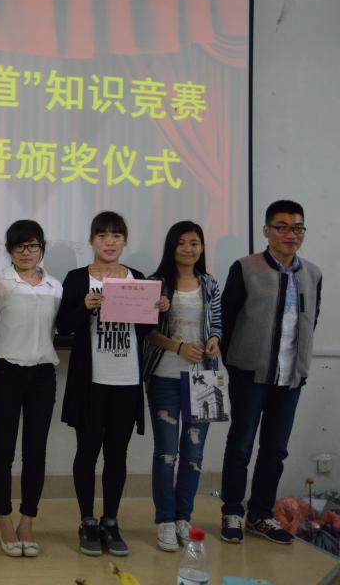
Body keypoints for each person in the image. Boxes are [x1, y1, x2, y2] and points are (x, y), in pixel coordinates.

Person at [57, 211, 160, 558]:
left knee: (117, 454)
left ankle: (111, 521)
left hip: (126, 380)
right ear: (92, 241)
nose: (109, 242)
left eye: (116, 236)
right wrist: (84, 307)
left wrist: (158, 308)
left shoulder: (137, 278)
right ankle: (87, 520)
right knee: (87, 452)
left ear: (124, 241)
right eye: (102, 236)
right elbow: (63, 325)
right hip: (91, 382)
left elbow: (146, 330)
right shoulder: (77, 278)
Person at [219, 200, 322, 545]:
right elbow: (228, 319)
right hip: (250, 374)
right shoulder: (245, 268)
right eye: (282, 227)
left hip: (290, 375)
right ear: (266, 231)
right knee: (241, 445)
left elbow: (311, 320)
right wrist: (236, 364)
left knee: (276, 449)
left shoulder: (312, 273)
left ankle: (260, 514)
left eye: (297, 228)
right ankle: (232, 511)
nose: (291, 235)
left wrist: (300, 362)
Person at [0, 220, 61, 558]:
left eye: (33, 246)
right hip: (6, 373)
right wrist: (0, 374)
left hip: (43, 374)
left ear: (42, 248)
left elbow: (53, 332)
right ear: (9, 250)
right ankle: (4, 518)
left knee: (36, 451)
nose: (27, 252)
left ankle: (28, 521)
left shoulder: (55, 287)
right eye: (19, 247)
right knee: (3, 450)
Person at [141, 221, 222, 552]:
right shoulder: (156, 283)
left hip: (205, 378)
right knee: (166, 453)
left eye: (195, 243)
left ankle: (183, 517)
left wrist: (214, 340)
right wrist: (177, 347)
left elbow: (217, 323)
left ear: (201, 247)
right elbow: (147, 331)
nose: (189, 249)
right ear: (171, 247)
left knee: (194, 454)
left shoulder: (210, 283)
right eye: (182, 243)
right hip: (164, 377)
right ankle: (164, 519)